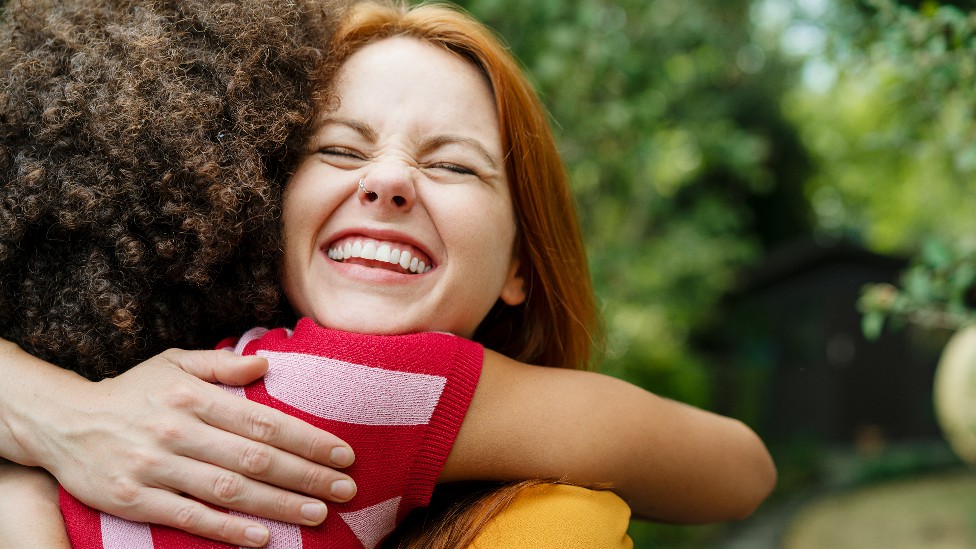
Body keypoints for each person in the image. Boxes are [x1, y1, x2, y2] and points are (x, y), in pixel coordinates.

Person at [0, 0, 776, 547]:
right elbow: (741, 469)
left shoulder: (381, 388)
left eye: (453, 164)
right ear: (258, 199)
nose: (389, 180)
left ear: (521, 264)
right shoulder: (382, 388)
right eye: (338, 149)